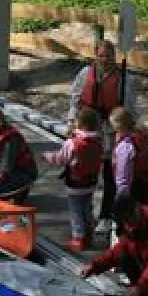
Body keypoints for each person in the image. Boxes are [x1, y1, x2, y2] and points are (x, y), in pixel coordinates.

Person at [66, 39, 137, 240]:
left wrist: (127, 132)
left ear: (114, 56)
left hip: (110, 131)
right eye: (101, 55)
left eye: (108, 55)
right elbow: (75, 99)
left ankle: (106, 215)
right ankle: (86, 214)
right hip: (88, 131)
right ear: (95, 55)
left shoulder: (125, 79)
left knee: (109, 175)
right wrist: (71, 123)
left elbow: (130, 108)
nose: (104, 59)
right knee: (85, 173)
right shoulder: (84, 74)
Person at [42, 107, 103, 251]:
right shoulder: (99, 140)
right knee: (87, 207)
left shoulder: (72, 143)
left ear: (79, 123)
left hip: (75, 182)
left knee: (75, 210)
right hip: (92, 181)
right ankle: (89, 233)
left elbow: (61, 159)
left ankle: (79, 237)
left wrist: (47, 156)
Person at [109, 106, 148, 207]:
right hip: (144, 181)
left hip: (132, 188)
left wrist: (121, 195)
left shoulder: (125, 145)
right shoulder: (143, 134)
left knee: (128, 219)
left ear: (119, 127)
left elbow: (123, 172)